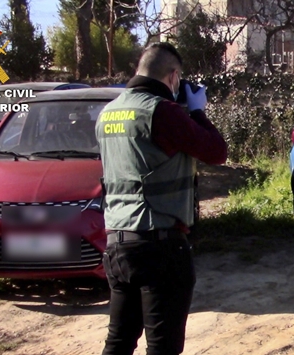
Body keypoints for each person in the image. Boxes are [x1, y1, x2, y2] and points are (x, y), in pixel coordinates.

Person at [95, 42, 228, 355]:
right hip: (160, 245)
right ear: (173, 77)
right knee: (162, 348)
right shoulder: (162, 112)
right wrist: (197, 111)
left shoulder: (108, 113)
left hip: (117, 244)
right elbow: (216, 152)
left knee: (118, 342)